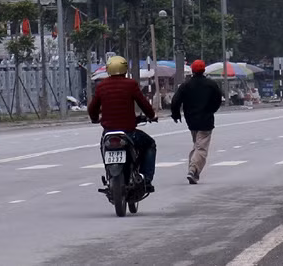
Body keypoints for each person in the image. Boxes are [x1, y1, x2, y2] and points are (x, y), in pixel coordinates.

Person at [88, 56, 158, 192]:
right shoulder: (130, 84)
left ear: (108, 69)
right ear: (125, 69)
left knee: (104, 147)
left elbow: (92, 108)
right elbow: (143, 103)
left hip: (108, 132)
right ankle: (146, 179)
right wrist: (152, 115)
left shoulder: (101, 86)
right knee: (150, 144)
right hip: (128, 133)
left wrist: (95, 118)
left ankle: (109, 173)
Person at [171, 60, 223, 185]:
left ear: (192, 71)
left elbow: (175, 101)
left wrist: (176, 114)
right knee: (201, 147)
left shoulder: (186, 85)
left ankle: (194, 171)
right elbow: (218, 100)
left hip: (191, 121)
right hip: (206, 120)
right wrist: (211, 111)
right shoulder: (211, 85)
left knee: (197, 145)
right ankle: (193, 169)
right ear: (204, 70)